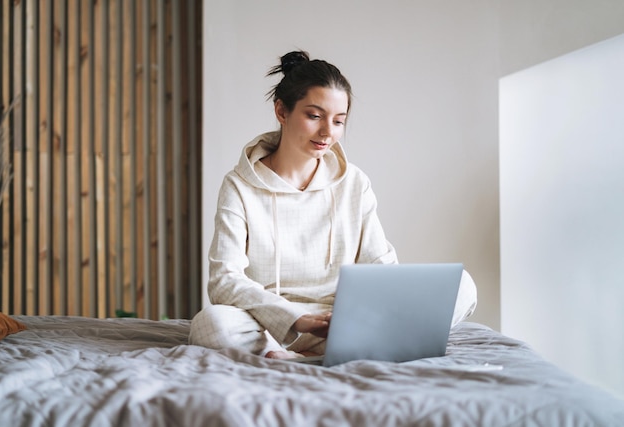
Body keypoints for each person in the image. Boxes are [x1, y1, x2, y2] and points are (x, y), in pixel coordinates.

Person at [189, 50, 477, 359]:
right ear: (282, 112)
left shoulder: (354, 182)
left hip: (344, 323)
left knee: (462, 286)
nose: (328, 132)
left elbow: (380, 266)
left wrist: (375, 310)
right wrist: (294, 317)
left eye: (338, 121)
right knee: (211, 324)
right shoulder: (239, 186)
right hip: (272, 328)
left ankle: (316, 358)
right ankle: (328, 356)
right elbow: (224, 281)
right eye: (314, 116)